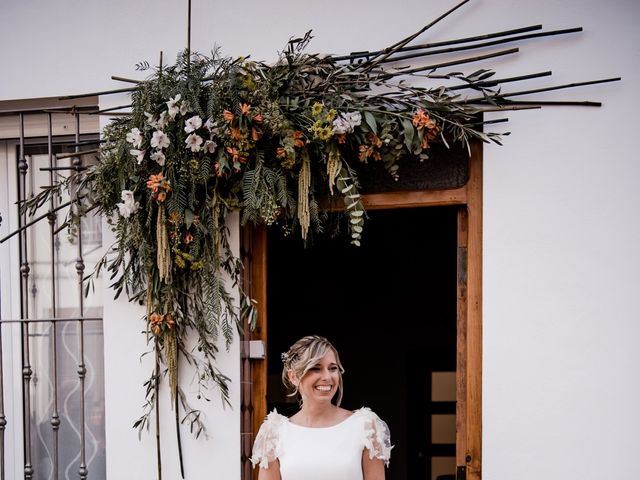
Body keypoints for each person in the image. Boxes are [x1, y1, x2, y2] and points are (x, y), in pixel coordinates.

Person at [251, 335, 392, 480]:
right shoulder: (274, 433)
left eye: (332, 368)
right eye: (316, 368)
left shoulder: (366, 426)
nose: (327, 377)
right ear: (293, 377)